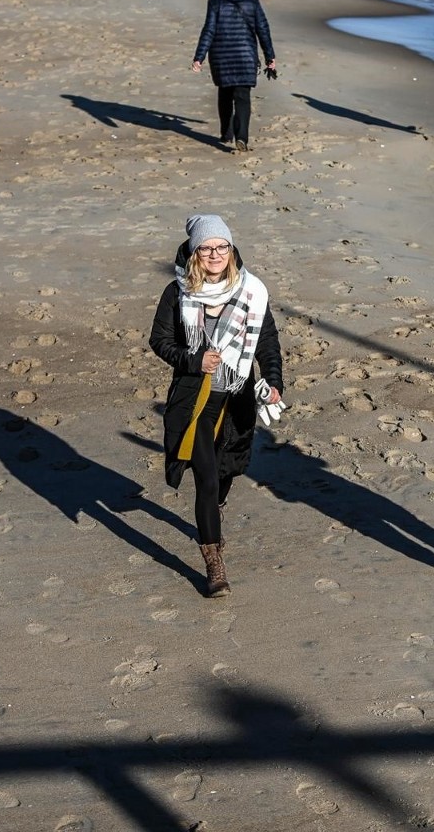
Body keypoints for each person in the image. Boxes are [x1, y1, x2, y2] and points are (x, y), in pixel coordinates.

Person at [149, 214, 284, 598]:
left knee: (225, 475)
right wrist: (194, 362)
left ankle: (215, 510)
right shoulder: (177, 293)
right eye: (206, 247)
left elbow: (268, 342)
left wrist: (273, 381)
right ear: (194, 253)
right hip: (195, 402)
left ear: (231, 249)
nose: (214, 254)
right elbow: (159, 341)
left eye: (221, 246)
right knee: (205, 479)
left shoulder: (252, 292)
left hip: (238, 397)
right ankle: (213, 562)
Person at [191, 0, 276, 153]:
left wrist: (199, 57)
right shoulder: (252, 2)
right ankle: (242, 137)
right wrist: (270, 57)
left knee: (225, 94)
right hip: (246, 57)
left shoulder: (214, 3)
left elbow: (209, 31)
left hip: (221, 58)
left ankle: (226, 133)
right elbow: (263, 30)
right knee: (242, 98)